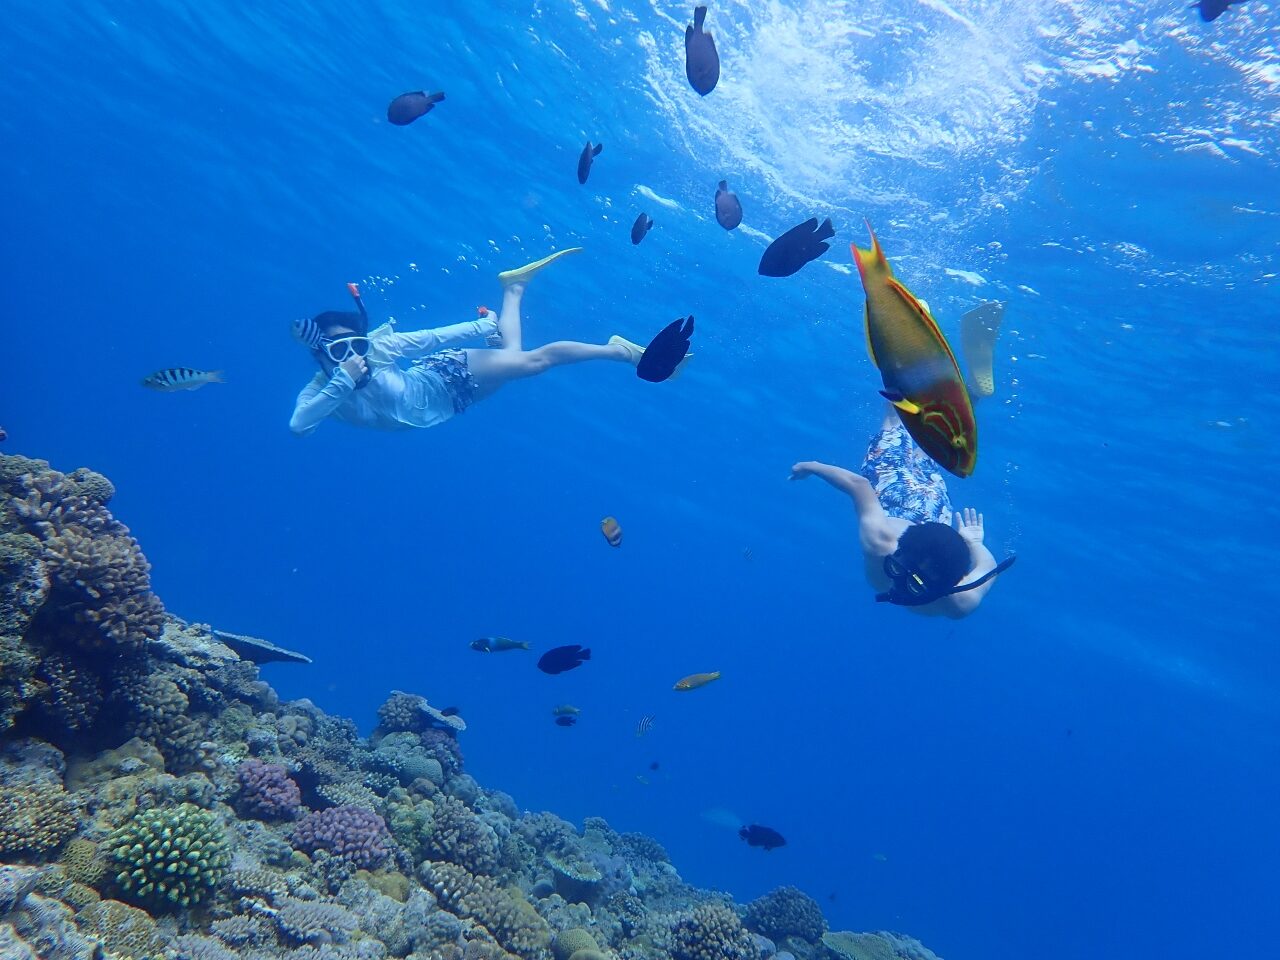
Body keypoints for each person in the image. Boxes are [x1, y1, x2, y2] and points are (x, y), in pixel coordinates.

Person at [289, 248, 669, 436]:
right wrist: (341, 381)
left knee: (533, 364)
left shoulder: (379, 349)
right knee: (514, 360)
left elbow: (431, 339)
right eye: (340, 351)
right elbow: (299, 425)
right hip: (453, 403)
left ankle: (622, 352)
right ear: (320, 354)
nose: (356, 356)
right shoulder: (322, 390)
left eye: (357, 345)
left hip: (443, 376)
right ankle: (514, 289)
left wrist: (480, 327)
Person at [790, 406, 1014, 618]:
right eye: (896, 567)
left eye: (917, 584)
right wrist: (811, 467)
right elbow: (859, 486)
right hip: (901, 498)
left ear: (948, 587)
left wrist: (972, 543)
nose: (899, 585)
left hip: (932, 508)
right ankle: (920, 394)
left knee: (918, 446)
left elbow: (859, 486)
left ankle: (962, 402)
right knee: (907, 436)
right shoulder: (880, 541)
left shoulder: (958, 603)